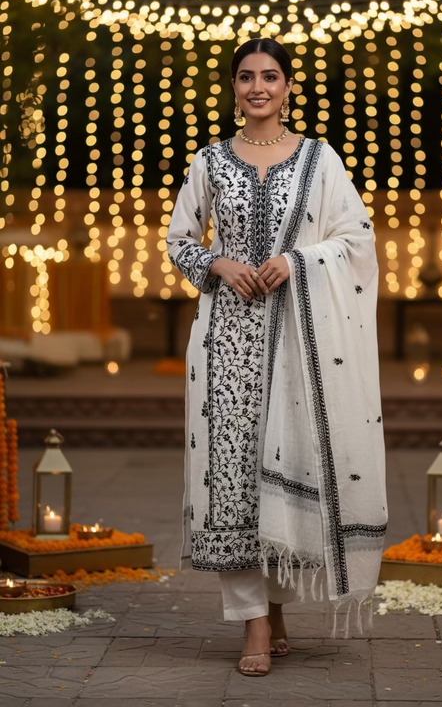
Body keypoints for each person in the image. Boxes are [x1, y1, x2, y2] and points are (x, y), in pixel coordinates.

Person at [167, 37, 388, 676]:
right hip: (229, 342)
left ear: (288, 86)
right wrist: (217, 262)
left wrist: (297, 260)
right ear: (232, 89)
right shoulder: (209, 162)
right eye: (245, 78)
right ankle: (254, 625)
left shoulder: (320, 160)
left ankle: (277, 604)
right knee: (233, 478)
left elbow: (356, 237)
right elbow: (179, 239)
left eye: (269, 76)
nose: (257, 87)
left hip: (302, 342)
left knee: (288, 465)